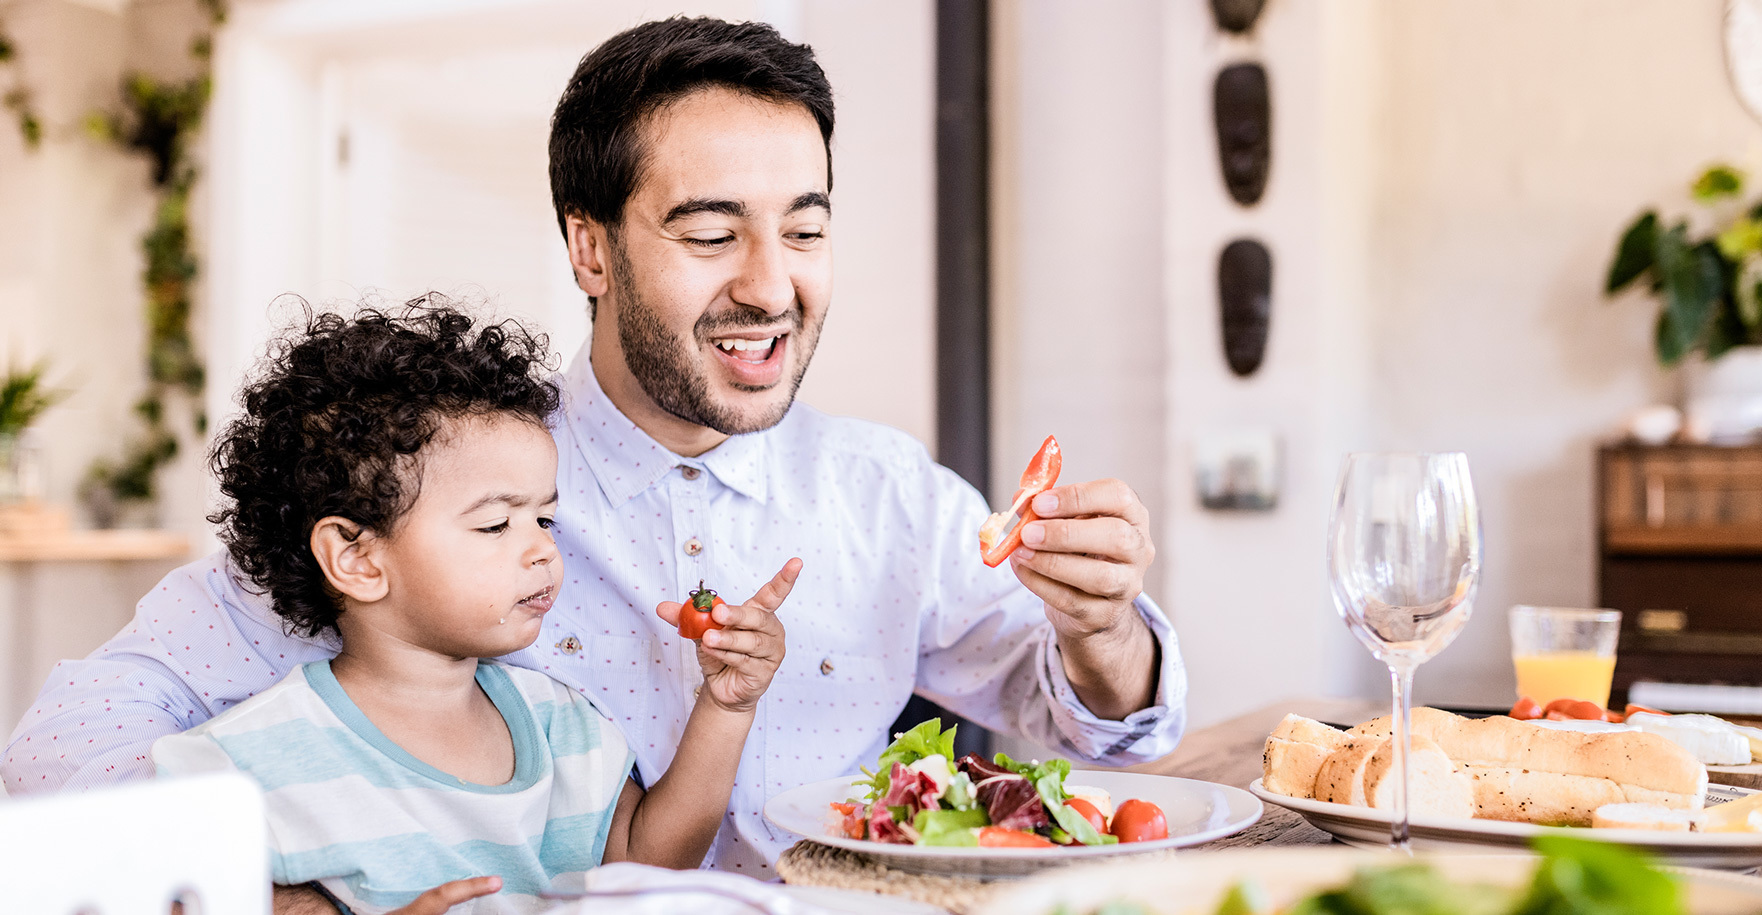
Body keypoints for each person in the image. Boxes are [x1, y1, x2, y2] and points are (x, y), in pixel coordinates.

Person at [4, 14, 1187, 882]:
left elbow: (1106, 723)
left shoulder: (886, 493)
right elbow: (66, 746)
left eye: (806, 229)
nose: (771, 287)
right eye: (712, 233)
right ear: (591, 251)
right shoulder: (432, 488)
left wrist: (1100, 631)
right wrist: (287, 900)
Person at [150, 306, 796, 913]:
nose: (543, 549)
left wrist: (726, 705)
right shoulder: (242, 764)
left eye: (543, 517)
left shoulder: (560, 723)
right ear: (357, 559)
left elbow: (651, 864)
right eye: (495, 524)